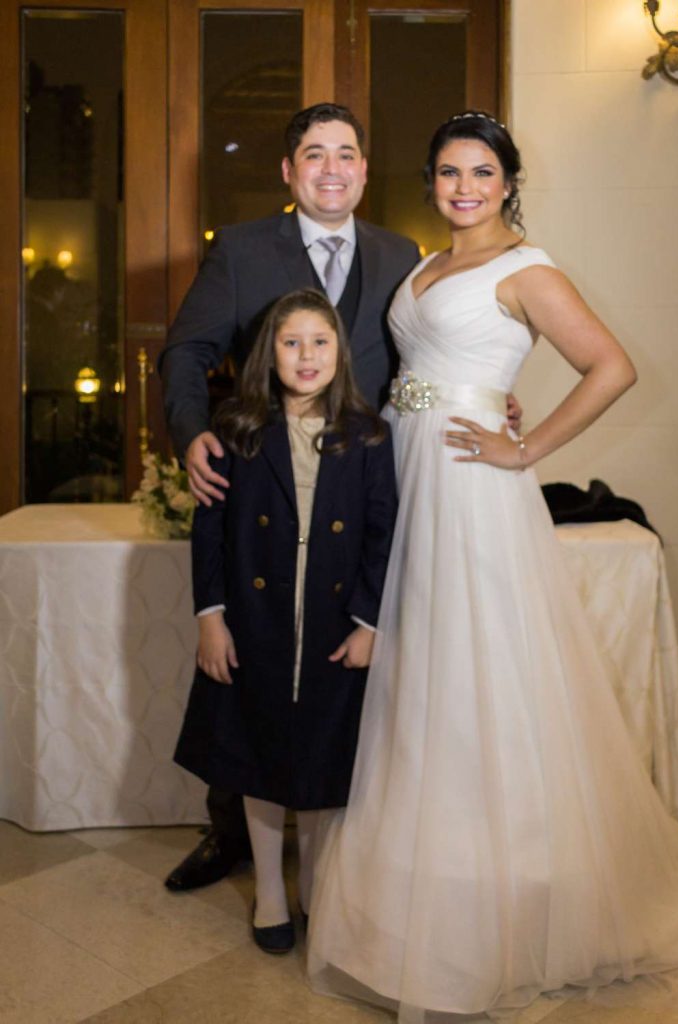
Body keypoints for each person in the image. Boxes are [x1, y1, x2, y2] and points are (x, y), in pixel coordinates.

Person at [307, 111, 678, 1020]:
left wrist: (525, 446)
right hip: (404, 464)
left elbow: (610, 366)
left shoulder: (528, 269)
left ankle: (499, 881)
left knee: (475, 663)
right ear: (431, 182)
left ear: (508, 182)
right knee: (416, 658)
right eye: (448, 172)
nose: (464, 187)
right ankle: (426, 863)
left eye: (481, 172)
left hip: (468, 482)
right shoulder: (425, 266)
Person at [160, 101, 521, 893]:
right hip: (264, 486)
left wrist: (485, 397)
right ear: (289, 171)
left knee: (339, 672)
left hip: (359, 492)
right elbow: (186, 351)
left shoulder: (401, 254)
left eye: (346, 153)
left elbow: (424, 356)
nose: (332, 169)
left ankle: (348, 841)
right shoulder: (241, 249)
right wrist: (191, 434)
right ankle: (232, 832)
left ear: (363, 168)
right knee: (253, 657)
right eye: (314, 155)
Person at [173, 289, 397, 954]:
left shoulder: (368, 435)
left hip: (333, 624)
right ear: (268, 353)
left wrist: (368, 623)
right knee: (259, 755)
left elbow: (382, 535)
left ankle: (316, 888)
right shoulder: (237, 430)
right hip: (258, 621)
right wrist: (211, 618)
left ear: (340, 352)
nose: (306, 356)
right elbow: (209, 532)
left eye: (320, 342)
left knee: (325, 760)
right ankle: (270, 890)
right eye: (291, 342)